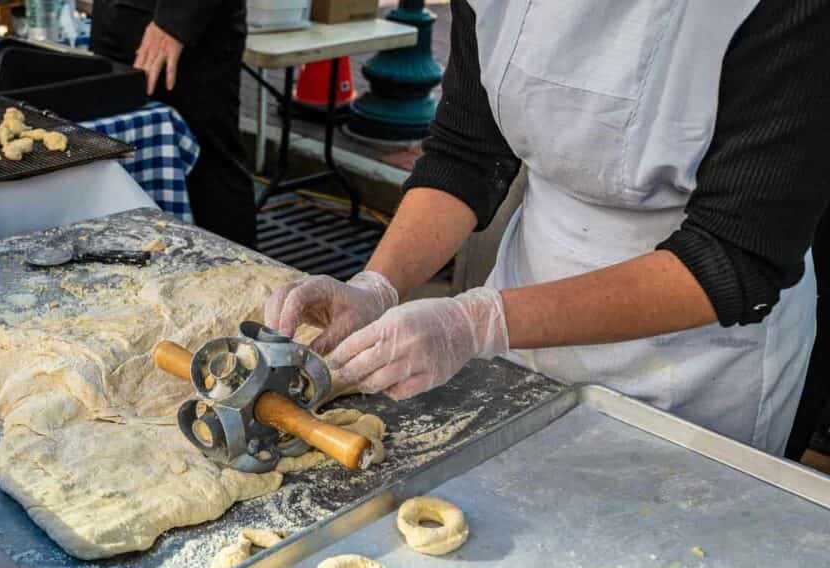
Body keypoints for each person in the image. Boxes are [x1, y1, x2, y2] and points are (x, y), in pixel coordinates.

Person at [265, 0, 830, 455]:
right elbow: (466, 150)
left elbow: (736, 256)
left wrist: (479, 321)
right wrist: (378, 286)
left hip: (695, 362)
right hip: (530, 308)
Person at [90, 0, 257, 248]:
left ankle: (242, 275)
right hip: (114, 18)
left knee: (209, 160)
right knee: (117, 161)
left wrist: (175, 21)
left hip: (183, 29)